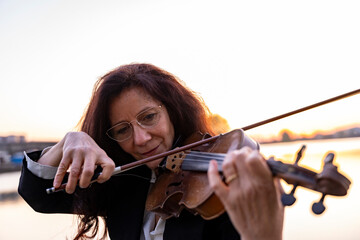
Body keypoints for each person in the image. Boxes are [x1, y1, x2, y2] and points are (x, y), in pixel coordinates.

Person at [18, 63, 284, 240]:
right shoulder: (121, 182)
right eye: (122, 130)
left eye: (148, 117)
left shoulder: (218, 189)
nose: (141, 139)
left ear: (171, 110)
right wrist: (70, 141)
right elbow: (39, 196)